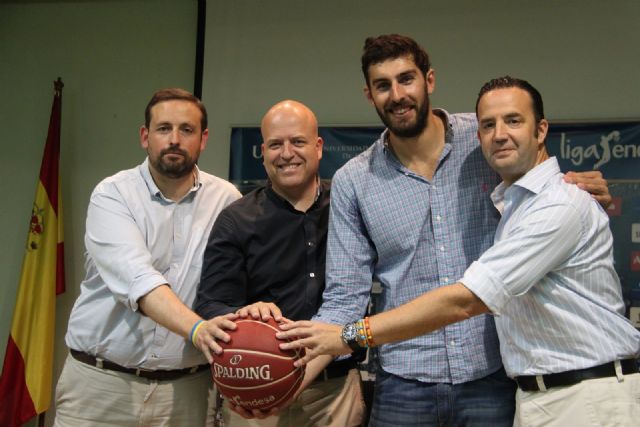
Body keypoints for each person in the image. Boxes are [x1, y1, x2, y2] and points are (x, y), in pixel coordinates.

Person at [275, 34, 611, 427]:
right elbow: (344, 298)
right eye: (383, 85)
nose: (397, 95)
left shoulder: (484, 138)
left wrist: (578, 186)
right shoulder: (354, 179)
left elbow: (538, 180)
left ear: (429, 80)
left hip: (492, 373)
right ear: (369, 95)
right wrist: (285, 386)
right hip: (404, 382)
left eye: (406, 79)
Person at [54, 88, 242, 426]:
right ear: (145, 136)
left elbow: (235, 283)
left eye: (187, 130)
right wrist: (197, 329)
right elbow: (138, 280)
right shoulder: (113, 195)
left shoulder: (226, 200)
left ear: (203, 139)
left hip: (188, 391)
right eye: (164, 128)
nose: (174, 139)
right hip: (101, 386)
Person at [195, 100, 365, 427]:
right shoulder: (236, 219)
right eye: (275, 144)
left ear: (318, 147)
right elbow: (211, 302)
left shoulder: (347, 208)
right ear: (263, 152)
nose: (287, 153)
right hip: (256, 388)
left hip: (334, 391)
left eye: (298, 141)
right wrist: (244, 315)